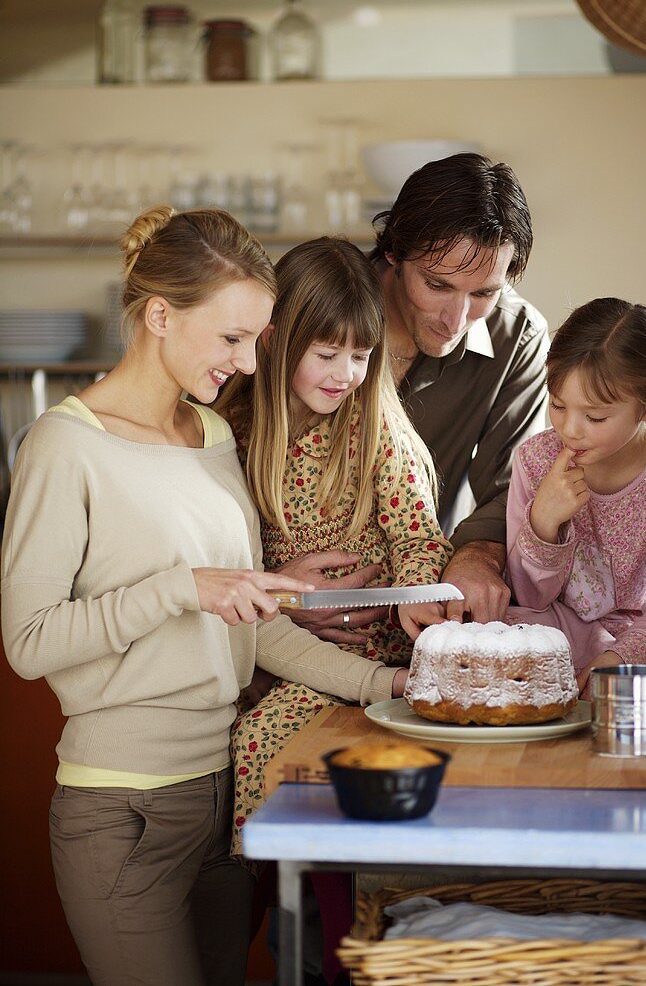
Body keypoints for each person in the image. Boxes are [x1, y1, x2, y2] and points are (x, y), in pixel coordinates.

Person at [0, 207, 407, 986]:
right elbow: (30, 642)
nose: (252, 363)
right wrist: (179, 590)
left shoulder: (215, 440)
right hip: (121, 811)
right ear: (159, 315)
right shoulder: (65, 445)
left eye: (257, 340)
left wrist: (389, 685)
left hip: (222, 801)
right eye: (231, 339)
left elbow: (249, 628)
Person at [218, 237, 453, 847]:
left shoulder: (375, 429)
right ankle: (285, 905)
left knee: (267, 743)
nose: (346, 375)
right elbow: (225, 571)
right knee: (251, 742)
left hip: (375, 665)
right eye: (327, 354)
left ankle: (316, 901)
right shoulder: (231, 436)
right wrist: (290, 600)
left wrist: (416, 602)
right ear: (275, 341)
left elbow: (420, 541)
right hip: (276, 661)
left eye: (361, 355)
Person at [273, 153, 549, 646]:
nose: (455, 317)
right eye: (437, 285)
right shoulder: (319, 299)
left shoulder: (518, 338)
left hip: (412, 614)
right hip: (276, 623)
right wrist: (273, 588)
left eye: (484, 292)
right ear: (394, 252)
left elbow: (518, 486)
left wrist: (476, 556)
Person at [504, 296, 646, 705]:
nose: (570, 429)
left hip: (640, 635)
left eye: (595, 417)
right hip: (552, 627)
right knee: (492, 630)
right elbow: (528, 598)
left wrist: (619, 656)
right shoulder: (535, 461)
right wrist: (544, 520)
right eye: (558, 406)